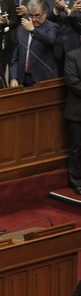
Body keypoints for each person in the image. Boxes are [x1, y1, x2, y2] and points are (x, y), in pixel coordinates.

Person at [9, 0, 58, 87]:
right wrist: (13, 77)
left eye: (37, 16)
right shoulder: (21, 29)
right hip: (23, 79)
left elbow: (50, 40)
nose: (34, 19)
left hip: (43, 80)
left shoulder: (51, 27)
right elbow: (15, 58)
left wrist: (33, 30)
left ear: (45, 13)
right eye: (31, 16)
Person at [46, 0, 81, 65]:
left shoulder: (79, 1)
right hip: (53, 49)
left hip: (75, 48)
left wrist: (72, 13)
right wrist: (56, 11)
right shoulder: (49, 1)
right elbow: (44, 22)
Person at [64, 44, 81, 194]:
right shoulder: (72, 56)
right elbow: (73, 82)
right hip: (77, 112)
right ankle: (77, 181)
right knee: (77, 148)